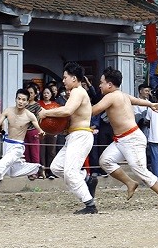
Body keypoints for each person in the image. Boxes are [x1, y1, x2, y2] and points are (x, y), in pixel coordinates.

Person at [91, 67, 158, 210]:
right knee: (105, 161)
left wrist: (77, 107)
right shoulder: (122, 95)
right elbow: (137, 100)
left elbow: (94, 110)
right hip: (121, 139)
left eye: (101, 82)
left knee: (139, 169)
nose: (99, 85)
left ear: (109, 85)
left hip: (132, 138)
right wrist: (151, 104)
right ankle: (129, 183)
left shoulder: (111, 96)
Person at [37, 62, 99, 214]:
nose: (63, 80)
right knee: (56, 167)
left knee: (70, 173)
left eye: (65, 77)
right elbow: (70, 115)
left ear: (74, 78)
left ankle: (90, 204)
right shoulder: (76, 92)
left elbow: (67, 111)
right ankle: (86, 179)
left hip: (81, 136)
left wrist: (46, 113)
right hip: (74, 135)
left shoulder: (78, 91)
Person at [0, 89, 44, 202]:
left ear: (27, 102)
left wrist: (41, 134)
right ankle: (37, 168)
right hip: (7, 144)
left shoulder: (30, 116)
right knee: (12, 172)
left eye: (23, 100)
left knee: (0, 167)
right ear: (15, 99)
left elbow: (40, 130)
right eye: (19, 99)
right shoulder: (8, 111)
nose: (20, 102)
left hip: (17, 147)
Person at [38, 86, 59, 179]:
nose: (46, 95)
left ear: (51, 94)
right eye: (44, 93)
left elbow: (59, 120)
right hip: (41, 130)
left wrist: (57, 130)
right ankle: (42, 171)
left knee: (51, 151)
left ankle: (51, 171)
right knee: (41, 151)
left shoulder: (56, 105)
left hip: (52, 131)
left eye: (48, 93)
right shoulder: (38, 104)